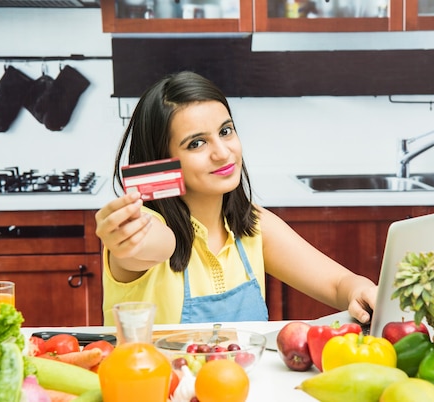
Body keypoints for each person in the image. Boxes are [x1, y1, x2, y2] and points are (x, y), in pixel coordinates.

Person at [95, 71, 378, 325]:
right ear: (163, 161)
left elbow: (337, 283)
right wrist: (129, 237)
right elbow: (157, 244)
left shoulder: (254, 224)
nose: (222, 152)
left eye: (225, 131)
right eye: (197, 143)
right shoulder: (153, 226)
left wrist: (359, 289)